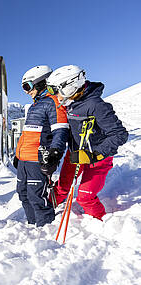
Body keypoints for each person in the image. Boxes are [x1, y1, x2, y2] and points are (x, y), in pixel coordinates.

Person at [46, 65, 128, 220]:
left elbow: (120, 134)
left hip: (97, 159)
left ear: (70, 86)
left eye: (55, 90)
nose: (55, 94)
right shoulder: (70, 103)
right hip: (76, 155)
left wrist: (94, 154)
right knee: (61, 188)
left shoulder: (97, 105)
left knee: (85, 197)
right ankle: (45, 212)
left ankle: (101, 221)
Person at [15, 65, 69, 226]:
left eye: (28, 86)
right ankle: (33, 225)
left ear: (41, 83)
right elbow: (28, 134)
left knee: (36, 197)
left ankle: (44, 228)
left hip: (38, 159)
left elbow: (60, 131)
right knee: (23, 194)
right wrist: (18, 155)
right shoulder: (34, 105)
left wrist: (54, 154)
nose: (26, 91)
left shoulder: (53, 103)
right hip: (24, 159)